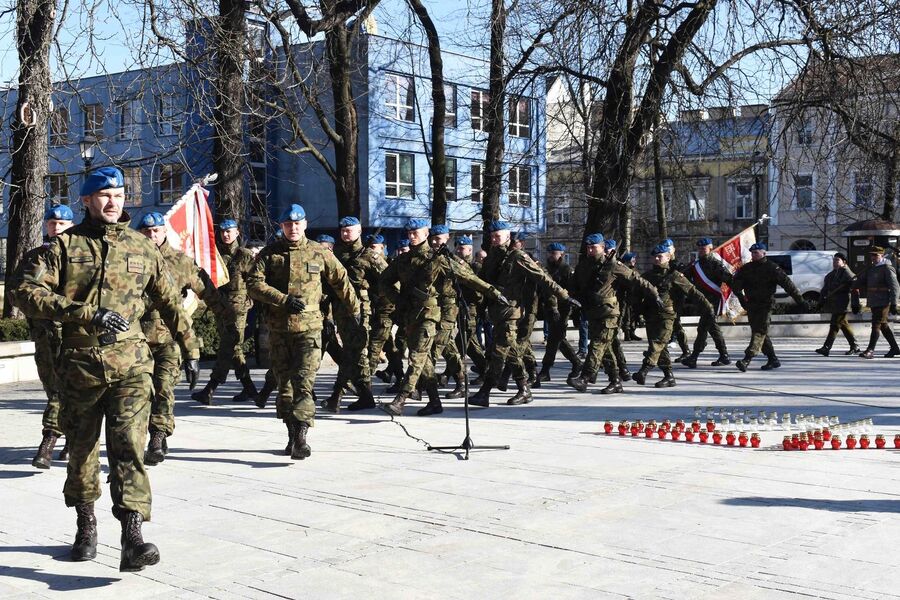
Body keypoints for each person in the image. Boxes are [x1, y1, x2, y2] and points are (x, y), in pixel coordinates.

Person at [13, 166, 200, 571]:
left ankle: (133, 537)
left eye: (119, 195)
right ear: (86, 201)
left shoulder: (141, 247)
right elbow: (25, 291)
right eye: (104, 195)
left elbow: (169, 299)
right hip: (80, 366)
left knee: (128, 446)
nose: (113, 202)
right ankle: (85, 526)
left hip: (131, 364)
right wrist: (84, 313)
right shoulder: (63, 248)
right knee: (81, 451)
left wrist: (191, 346)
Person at [247, 204, 360, 458]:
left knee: (304, 383)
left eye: (297, 224)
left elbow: (341, 280)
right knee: (285, 387)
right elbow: (253, 284)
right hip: (279, 332)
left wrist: (354, 310)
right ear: (282, 227)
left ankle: (301, 436)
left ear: (305, 225)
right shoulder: (269, 254)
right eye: (288, 224)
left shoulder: (319, 253)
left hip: (309, 331)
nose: (293, 228)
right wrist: (282, 299)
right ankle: (291, 434)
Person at [136, 212, 234, 465]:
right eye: (146, 232)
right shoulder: (129, 260)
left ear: (164, 232)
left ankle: (157, 437)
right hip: (136, 340)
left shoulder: (180, 262)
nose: (151, 236)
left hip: (170, 337)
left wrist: (227, 318)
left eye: (155, 231)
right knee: (141, 393)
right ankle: (156, 432)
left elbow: (207, 291)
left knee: (164, 389)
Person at [469, 221, 575, 407]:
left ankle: (484, 392)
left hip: (511, 311)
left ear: (508, 237)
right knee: (510, 352)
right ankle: (524, 389)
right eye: (492, 236)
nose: (494, 240)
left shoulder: (518, 256)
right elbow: (483, 282)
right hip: (496, 312)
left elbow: (543, 278)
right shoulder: (492, 257)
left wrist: (564, 295)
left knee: (499, 351)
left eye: (498, 236)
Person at [18, 205, 74, 469]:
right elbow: (21, 294)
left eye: (62, 223)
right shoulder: (34, 257)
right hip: (46, 335)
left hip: (76, 335)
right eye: (52, 223)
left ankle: (49, 439)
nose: (56, 227)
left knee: (64, 391)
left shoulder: (79, 257)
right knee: (55, 388)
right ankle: (71, 438)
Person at [567, 233, 659, 394]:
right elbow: (575, 287)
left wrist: (654, 294)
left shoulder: (614, 265)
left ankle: (585, 377)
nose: (589, 250)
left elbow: (636, 279)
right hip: (592, 312)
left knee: (597, 344)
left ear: (602, 248)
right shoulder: (583, 265)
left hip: (608, 313)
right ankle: (615, 381)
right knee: (606, 348)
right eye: (588, 247)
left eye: (593, 247)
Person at [323, 216, 385, 412]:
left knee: (352, 353)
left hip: (360, 312)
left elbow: (388, 280)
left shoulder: (369, 256)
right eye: (343, 230)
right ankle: (366, 396)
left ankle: (337, 395)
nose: (345, 233)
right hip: (340, 310)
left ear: (359, 231)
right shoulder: (336, 254)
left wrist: (382, 307)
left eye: (349, 230)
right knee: (356, 355)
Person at [192, 219, 257, 404]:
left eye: (229, 231)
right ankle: (250, 389)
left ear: (237, 233)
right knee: (233, 348)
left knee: (229, 346)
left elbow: (256, 282)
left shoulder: (244, 255)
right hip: (220, 306)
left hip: (238, 309)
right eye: (222, 231)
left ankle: (210, 388)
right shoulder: (216, 256)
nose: (225, 234)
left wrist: (251, 302)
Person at [634, 244, 714, 387]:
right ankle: (669, 377)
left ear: (668, 257)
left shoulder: (675, 276)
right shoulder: (648, 276)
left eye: (660, 256)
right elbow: (637, 295)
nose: (657, 259)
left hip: (667, 316)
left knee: (657, 343)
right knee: (661, 347)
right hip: (651, 316)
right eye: (655, 257)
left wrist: (708, 306)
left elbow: (693, 292)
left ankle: (644, 370)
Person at [731, 242, 807, 371]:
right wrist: (742, 299)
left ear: (764, 253)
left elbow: (788, 285)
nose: (753, 255)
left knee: (759, 331)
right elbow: (736, 286)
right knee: (760, 332)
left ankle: (747, 359)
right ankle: (773, 359)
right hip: (752, 305)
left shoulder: (772, 268)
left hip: (765, 304)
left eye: (756, 252)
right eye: (752, 253)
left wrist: (800, 301)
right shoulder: (746, 268)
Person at [535, 242, 581, 386]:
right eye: (549, 253)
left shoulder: (566, 270)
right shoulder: (548, 269)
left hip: (563, 309)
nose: (550, 255)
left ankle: (547, 370)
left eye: (553, 253)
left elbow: (571, 292)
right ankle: (574, 363)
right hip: (550, 308)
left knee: (556, 338)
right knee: (556, 339)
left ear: (561, 254)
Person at [683, 237, 732, 367]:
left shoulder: (716, 264)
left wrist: (741, 295)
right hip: (702, 301)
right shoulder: (696, 264)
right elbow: (684, 276)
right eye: (699, 248)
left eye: (703, 248)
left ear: (710, 248)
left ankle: (695, 357)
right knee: (708, 328)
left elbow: (729, 279)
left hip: (712, 302)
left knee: (707, 328)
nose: (701, 250)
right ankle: (723, 355)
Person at [855, 246, 900, 359]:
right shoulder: (871, 268)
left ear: (882, 255)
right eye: (872, 255)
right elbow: (861, 281)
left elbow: (895, 287)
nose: (873, 257)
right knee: (883, 325)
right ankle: (895, 348)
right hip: (874, 301)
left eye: (876, 255)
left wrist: (894, 303)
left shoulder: (887, 268)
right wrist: (851, 284)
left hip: (884, 301)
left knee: (876, 324)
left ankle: (870, 350)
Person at [815, 252, 860, 356]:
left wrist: (855, 304)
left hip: (843, 303)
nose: (834, 262)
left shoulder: (847, 273)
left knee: (834, 325)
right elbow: (825, 289)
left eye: (837, 260)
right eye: (834, 260)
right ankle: (854, 345)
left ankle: (826, 347)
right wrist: (820, 302)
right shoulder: (833, 274)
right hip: (835, 303)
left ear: (844, 262)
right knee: (843, 324)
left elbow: (855, 290)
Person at [620, 252, 642, 341]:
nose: (634, 261)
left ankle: (632, 332)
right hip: (625, 297)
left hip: (634, 297)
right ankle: (627, 333)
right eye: (632, 259)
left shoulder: (635, 270)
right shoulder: (624, 270)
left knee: (634, 315)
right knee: (626, 316)